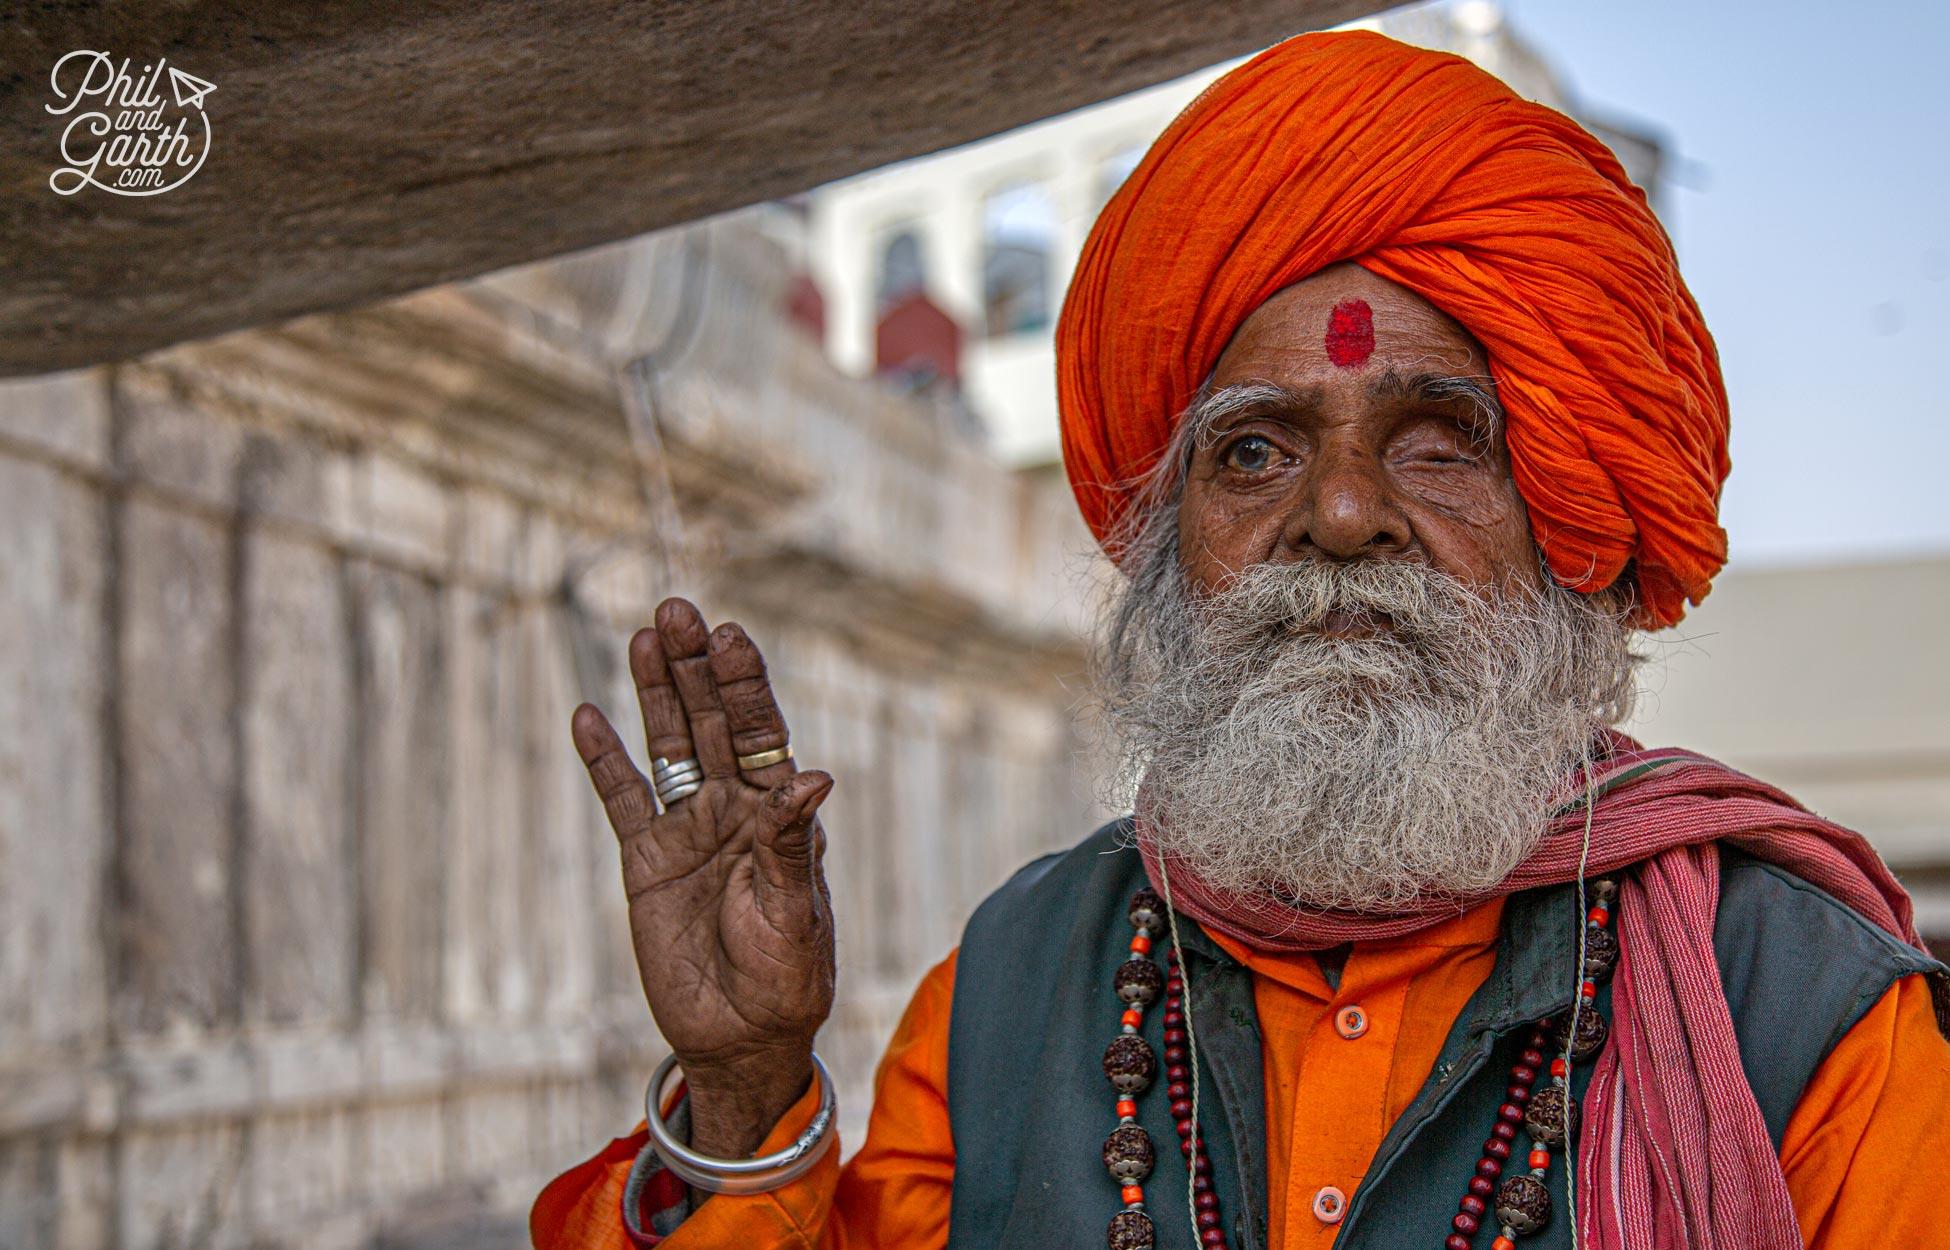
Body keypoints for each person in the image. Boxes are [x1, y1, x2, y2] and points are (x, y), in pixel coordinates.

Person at [532, 30, 1950, 1250]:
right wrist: (742, 1084)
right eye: (1254, 451)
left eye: (1438, 444)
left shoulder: (1801, 1009)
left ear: (1565, 529)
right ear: (1159, 544)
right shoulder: (1016, 982)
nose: (1340, 515)